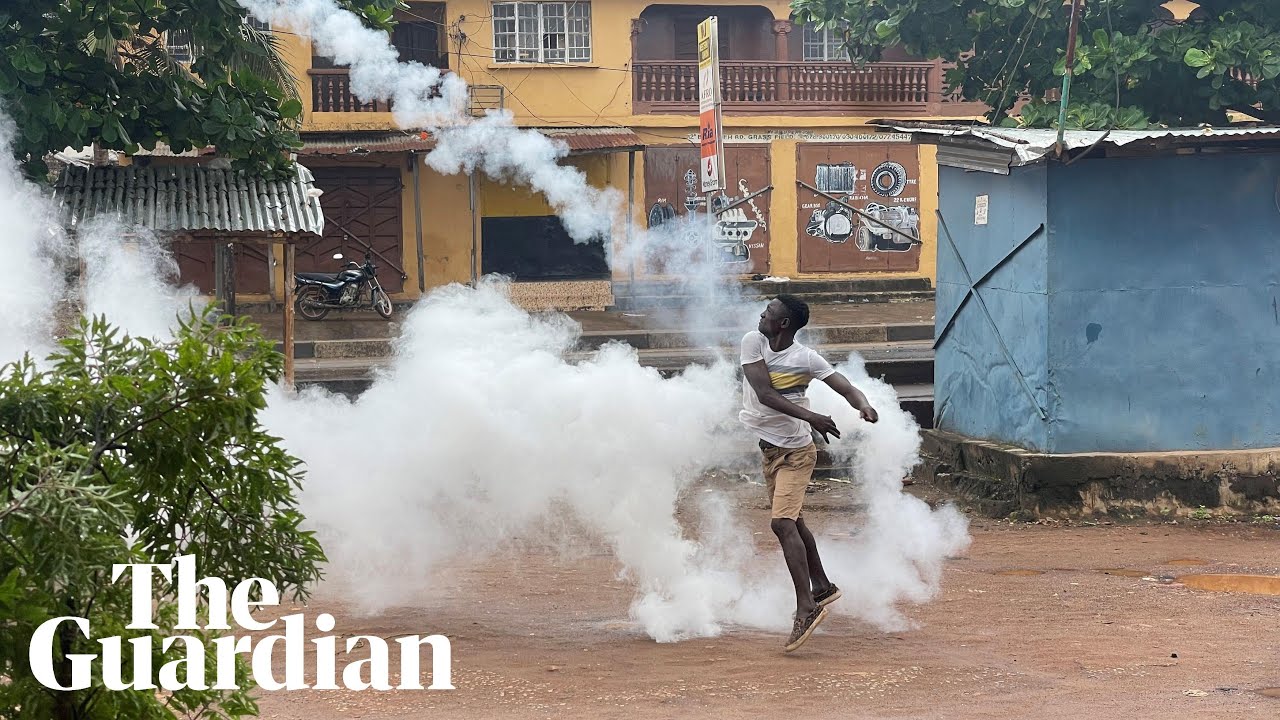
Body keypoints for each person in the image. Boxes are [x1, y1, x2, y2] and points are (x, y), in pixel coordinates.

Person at [739, 295, 879, 652]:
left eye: (769, 312)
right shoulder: (752, 341)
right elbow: (764, 393)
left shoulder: (805, 358)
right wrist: (813, 417)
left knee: (782, 524)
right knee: (795, 523)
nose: (762, 314)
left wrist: (863, 405)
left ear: (783, 324)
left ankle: (806, 607)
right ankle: (823, 586)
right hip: (769, 452)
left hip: (797, 453)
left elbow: (844, 385)